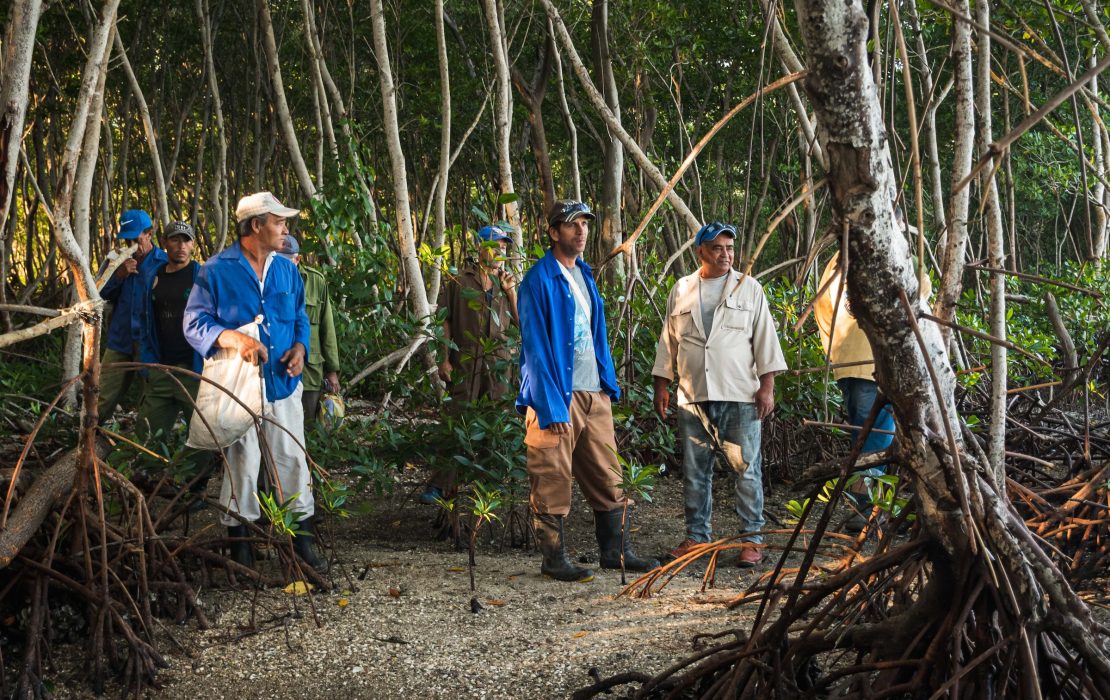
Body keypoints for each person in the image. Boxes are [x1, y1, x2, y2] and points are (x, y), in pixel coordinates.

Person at [184, 191, 326, 573]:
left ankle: (303, 547)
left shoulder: (287, 269)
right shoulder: (215, 270)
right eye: (278, 222)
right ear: (255, 225)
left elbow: (299, 317)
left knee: (292, 460)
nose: (285, 228)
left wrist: (300, 347)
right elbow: (194, 323)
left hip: (283, 383)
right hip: (240, 387)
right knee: (243, 464)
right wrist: (236, 339)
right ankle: (241, 549)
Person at [517, 199, 658, 582]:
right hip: (556, 396)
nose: (580, 231)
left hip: (593, 392)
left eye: (584, 224)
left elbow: (596, 336)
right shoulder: (538, 280)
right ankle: (553, 560)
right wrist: (550, 406)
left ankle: (615, 552)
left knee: (607, 474)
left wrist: (606, 386)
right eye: (571, 224)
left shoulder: (585, 275)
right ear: (553, 232)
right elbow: (535, 348)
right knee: (551, 476)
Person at [652, 222, 787, 568]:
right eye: (717, 248)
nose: (725, 254)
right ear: (701, 252)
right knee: (696, 471)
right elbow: (668, 341)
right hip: (692, 394)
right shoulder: (682, 289)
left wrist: (767, 387)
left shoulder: (749, 288)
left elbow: (765, 340)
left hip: (739, 393)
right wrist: (662, 385)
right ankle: (697, 538)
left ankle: (751, 541)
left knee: (747, 469)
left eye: (729, 248)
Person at [813, 207, 931, 530]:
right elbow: (921, 293)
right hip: (879, 366)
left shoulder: (837, 262)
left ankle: (865, 510)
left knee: (863, 439)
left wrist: (836, 353)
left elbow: (822, 310)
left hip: (850, 367)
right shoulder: (891, 257)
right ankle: (867, 514)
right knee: (878, 439)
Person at [419, 224, 518, 505]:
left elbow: (522, 323)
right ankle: (440, 485)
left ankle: (489, 487)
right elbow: (446, 321)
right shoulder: (460, 282)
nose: (500, 251)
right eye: (494, 245)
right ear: (480, 248)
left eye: (504, 246)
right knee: (457, 422)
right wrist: (444, 358)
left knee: (495, 423)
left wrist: (510, 293)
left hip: (498, 365)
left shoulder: (508, 282)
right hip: (465, 362)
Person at [134, 221, 212, 504]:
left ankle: (197, 487)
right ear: (165, 243)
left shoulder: (201, 275)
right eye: (175, 240)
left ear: (193, 245)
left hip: (193, 368)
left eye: (186, 241)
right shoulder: (154, 275)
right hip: (161, 367)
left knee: (201, 430)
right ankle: (153, 480)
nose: (180, 246)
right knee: (148, 428)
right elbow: (143, 319)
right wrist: (147, 362)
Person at [98, 209, 167, 421]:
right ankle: (87, 437)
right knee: (103, 393)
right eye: (127, 240)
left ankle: (143, 445)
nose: (131, 245)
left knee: (150, 396)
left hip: (149, 340)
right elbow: (98, 294)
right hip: (120, 338)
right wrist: (118, 274)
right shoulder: (115, 261)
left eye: (136, 239)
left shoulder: (163, 262)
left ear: (149, 233)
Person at [276, 236, 340, 432]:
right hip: (278, 366)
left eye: (289, 259)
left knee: (309, 425)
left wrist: (332, 371)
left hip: (310, 369)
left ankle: (310, 461)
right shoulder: (266, 278)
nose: (284, 265)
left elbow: (326, 328)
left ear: (298, 260)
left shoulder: (316, 281)